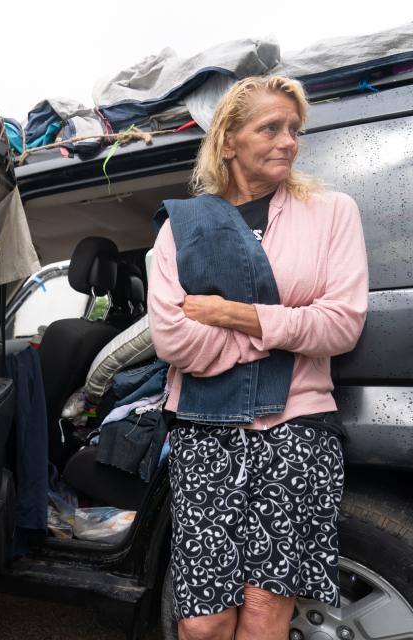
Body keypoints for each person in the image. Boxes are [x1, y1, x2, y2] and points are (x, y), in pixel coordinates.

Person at [146, 75, 369, 640]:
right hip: (204, 434)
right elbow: (175, 343)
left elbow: (340, 324)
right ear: (227, 141)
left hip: (295, 430)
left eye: (294, 129)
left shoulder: (332, 212)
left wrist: (231, 314)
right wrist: (290, 326)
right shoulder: (181, 227)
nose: (288, 141)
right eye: (270, 127)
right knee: (201, 623)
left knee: (267, 612)